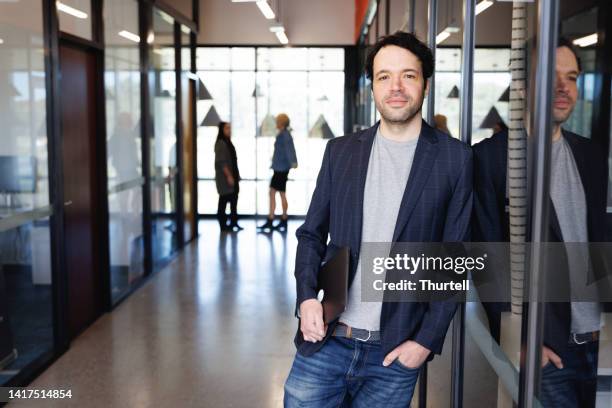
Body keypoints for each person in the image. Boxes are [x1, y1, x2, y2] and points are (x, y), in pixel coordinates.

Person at [284, 31, 472, 407]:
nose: (396, 87)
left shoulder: (456, 159)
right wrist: (306, 298)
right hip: (329, 338)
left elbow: (455, 261)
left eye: (409, 75)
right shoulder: (340, 151)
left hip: (395, 350)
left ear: (426, 84)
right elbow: (311, 234)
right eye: (384, 76)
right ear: (372, 86)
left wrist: (424, 343)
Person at [472, 38, 607, 407]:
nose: (564, 88)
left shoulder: (591, 155)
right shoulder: (491, 159)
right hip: (543, 345)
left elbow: (595, 241)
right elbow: (486, 259)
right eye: (551, 76)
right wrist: (518, 341)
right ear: (522, 85)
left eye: (573, 77)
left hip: (594, 338)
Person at [258, 113, 297, 232]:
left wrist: (293, 163)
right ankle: (280, 219)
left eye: (277, 121)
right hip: (279, 168)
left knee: (277, 193)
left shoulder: (285, 135)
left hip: (281, 169)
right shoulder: (283, 134)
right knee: (277, 193)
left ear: (281, 123)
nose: (276, 123)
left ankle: (274, 219)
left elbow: (289, 150)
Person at [214, 121, 242, 232]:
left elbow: (233, 161)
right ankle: (223, 225)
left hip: (233, 176)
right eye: (226, 128)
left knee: (234, 200)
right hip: (225, 179)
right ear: (221, 130)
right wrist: (229, 176)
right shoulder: (221, 143)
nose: (229, 130)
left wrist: (236, 176)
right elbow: (222, 162)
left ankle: (233, 222)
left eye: (230, 128)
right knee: (224, 201)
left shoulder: (228, 142)